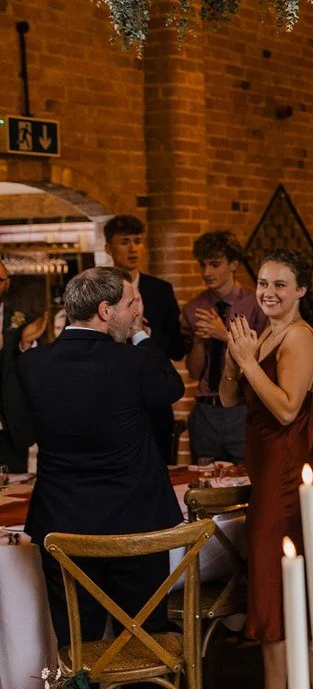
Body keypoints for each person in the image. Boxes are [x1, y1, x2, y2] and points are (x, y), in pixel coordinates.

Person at [19, 267, 184, 645]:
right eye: (131, 305)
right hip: (134, 525)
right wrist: (142, 338)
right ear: (106, 310)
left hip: (62, 525)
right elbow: (171, 388)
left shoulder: (31, 364)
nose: (136, 315)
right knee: (143, 636)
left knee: (77, 641)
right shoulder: (134, 361)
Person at [219, 249, 313, 689]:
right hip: (264, 473)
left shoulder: (299, 336)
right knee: (273, 591)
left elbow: (285, 409)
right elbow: (227, 400)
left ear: (300, 289)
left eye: (280, 284)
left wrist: (246, 363)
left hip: (285, 475)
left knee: (274, 594)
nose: (268, 292)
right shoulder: (262, 335)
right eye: (263, 283)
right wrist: (232, 360)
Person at [104, 215, 185, 463]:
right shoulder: (99, 290)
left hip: (155, 402)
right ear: (108, 248)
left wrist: (147, 335)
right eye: (124, 242)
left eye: (137, 241)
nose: (132, 248)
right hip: (113, 401)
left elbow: (177, 348)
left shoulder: (160, 290)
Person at [182, 231, 268, 463]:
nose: (206, 272)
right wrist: (200, 341)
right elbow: (194, 372)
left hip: (243, 408)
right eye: (203, 265)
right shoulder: (194, 308)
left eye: (215, 264)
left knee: (247, 479)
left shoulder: (255, 303)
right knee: (206, 485)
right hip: (205, 410)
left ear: (234, 264)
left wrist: (224, 335)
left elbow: (264, 357)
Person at [0, 260, 40, 472]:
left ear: (7, 283)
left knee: (15, 494)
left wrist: (26, 344)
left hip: (12, 425)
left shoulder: (22, 319)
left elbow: (35, 367)